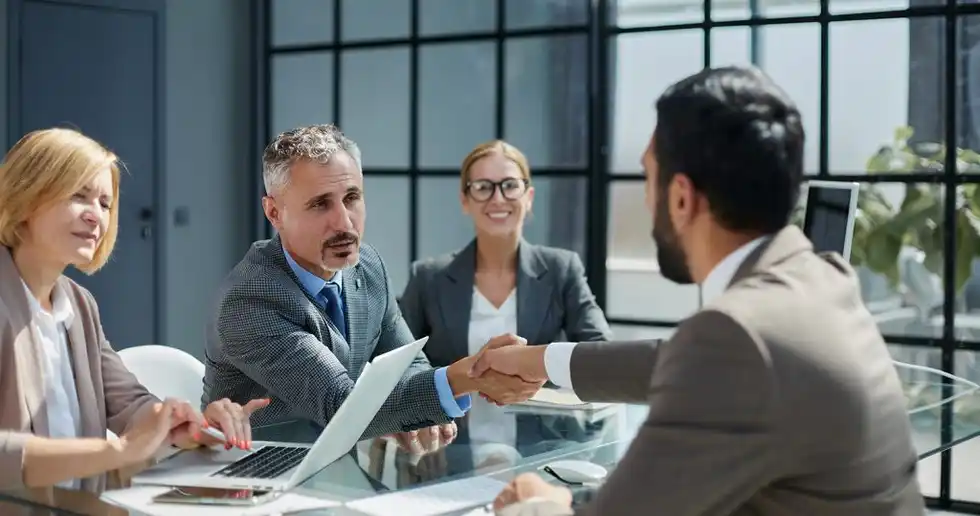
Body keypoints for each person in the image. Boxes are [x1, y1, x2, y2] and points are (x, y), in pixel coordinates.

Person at [472, 66, 925, 515]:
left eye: (648, 179)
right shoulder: (823, 278)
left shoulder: (736, 335)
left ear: (682, 198)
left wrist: (541, 503)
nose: (647, 201)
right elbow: (673, 365)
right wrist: (540, 359)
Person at [203, 124, 541, 452]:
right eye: (320, 204)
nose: (345, 222)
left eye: (351, 198)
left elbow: (408, 361)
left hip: (339, 471)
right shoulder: (250, 300)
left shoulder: (366, 265)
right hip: (254, 478)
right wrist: (470, 374)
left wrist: (424, 417)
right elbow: (342, 407)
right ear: (274, 212)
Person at [0, 128, 268, 492]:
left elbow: (131, 405)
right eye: (79, 196)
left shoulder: (79, 305)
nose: (96, 216)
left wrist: (190, 427)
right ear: (26, 197)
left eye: (105, 203)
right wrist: (117, 451)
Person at [398, 140, 611, 469]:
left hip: (543, 456)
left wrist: (537, 370)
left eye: (510, 186)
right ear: (464, 200)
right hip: (447, 457)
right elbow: (395, 363)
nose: (497, 198)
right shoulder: (429, 277)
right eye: (483, 187)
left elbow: (600, 354)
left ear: (529, 196)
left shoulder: (561, 269)